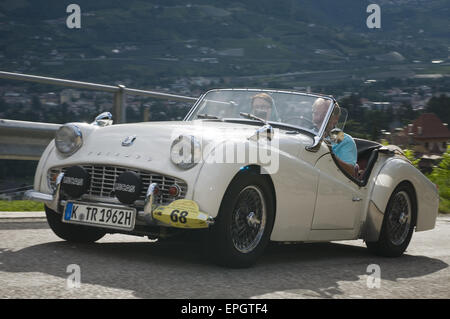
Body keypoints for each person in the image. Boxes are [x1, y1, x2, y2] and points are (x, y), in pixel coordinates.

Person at [312, 98, 357, 177]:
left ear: (335, 119)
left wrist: (329, 153)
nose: (319, 116)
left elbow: (351, 172)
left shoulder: (343, 139)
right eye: (315, 112)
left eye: (325, 114)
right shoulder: (308, 133)